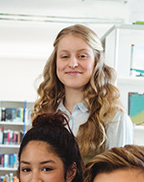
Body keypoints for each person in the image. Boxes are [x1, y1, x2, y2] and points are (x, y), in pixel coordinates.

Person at [33, 24, 133, 162]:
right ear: (55, 63)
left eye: (82, 56)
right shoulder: (43, 114)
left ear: (96, 62)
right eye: (65, 56)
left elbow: (120, 177)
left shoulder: (114, 118)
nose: (73, 63)